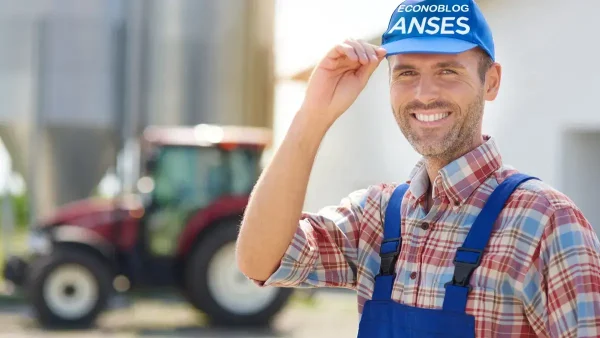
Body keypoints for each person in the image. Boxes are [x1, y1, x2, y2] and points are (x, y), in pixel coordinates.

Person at [235, 0, 600, 336]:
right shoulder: (376, 216)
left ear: (490, 81)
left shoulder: (545, 223)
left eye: (448, 71)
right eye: (407, 73)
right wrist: (313, 116)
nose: (424, 93)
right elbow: (260, 261)